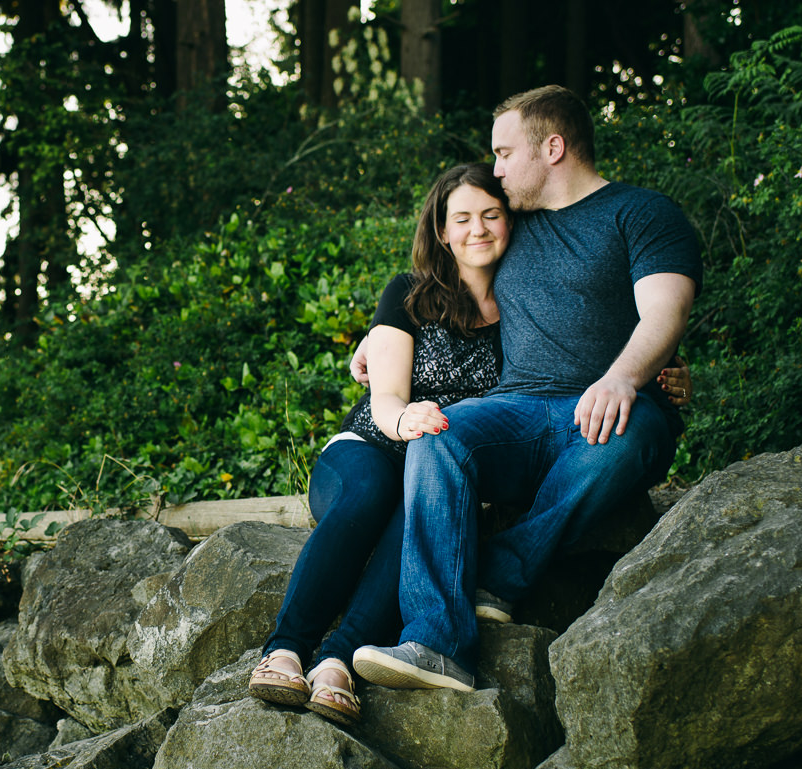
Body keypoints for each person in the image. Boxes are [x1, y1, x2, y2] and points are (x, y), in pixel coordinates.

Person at [247, 161, 693, 725]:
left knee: (413, 516)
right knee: (374, 498)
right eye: (462, 218)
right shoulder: (408, 295)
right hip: (373, 446)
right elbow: (384, 398)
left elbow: (586, 345)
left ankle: (337, 662)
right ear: (440, 230)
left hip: (439, 466)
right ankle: (285, 649)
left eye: (491, 215)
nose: (477, 229)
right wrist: (404, 417)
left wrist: (665, 370)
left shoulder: (525, 310)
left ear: (512, 223)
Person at [350, 85, 702, 694]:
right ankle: (437, 644)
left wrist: (624, 377)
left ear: (554, 147)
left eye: (505, 152)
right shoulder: (510, 225)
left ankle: (500, 574)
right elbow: (442, 274)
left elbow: (664, 314)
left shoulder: (642, 214)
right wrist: (382, 334)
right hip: (515, 409)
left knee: (625, 434)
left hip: (608, 407)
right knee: (439, 434)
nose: (496, 168)